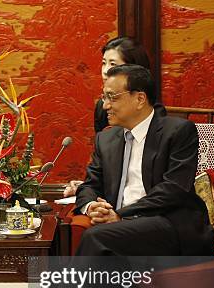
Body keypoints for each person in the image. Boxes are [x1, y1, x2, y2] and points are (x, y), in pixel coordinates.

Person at [16, 64, 214, 288]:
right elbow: (90, 183)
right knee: (111, 262)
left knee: (97, 239)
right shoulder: (107, 138)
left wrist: (120, 214)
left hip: (170, 227)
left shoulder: (177, 131)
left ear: (140, 98)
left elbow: (174, 190)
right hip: (120, 232)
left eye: (112, 97)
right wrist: (92, 205)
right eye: (104, 97)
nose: (105, 104)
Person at [63, 37, 158, 198]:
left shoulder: (152, 115)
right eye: (103, 63)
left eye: (113, 64)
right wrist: (87, 185)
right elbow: (104, 165)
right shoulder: (102, 107)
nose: (105, 71)